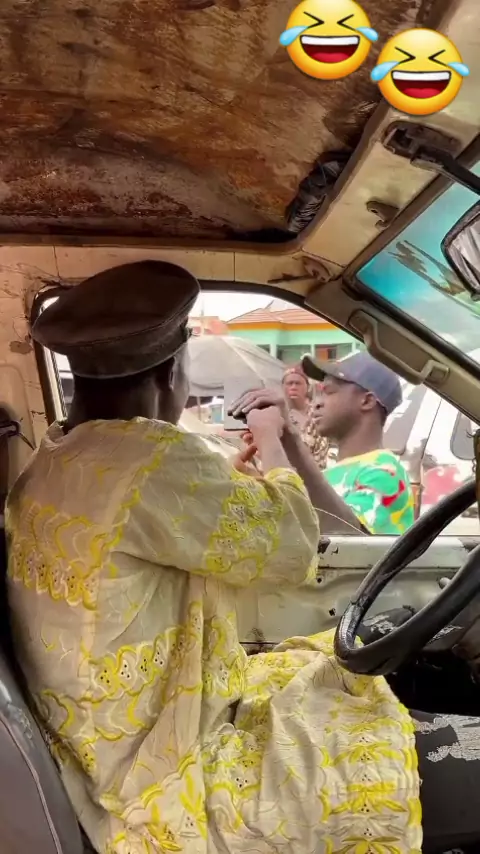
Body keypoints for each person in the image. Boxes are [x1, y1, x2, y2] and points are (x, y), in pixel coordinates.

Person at [5, 260, 479, 854]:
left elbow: (152, 521)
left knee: (337, 693)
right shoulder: (148, 458)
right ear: (171, 372)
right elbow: (292, 544)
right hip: (160, 768)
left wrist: (234, 484)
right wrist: (277, 445)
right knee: (383, 752)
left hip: (98, 753)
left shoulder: (56, 459)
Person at [231, 352, 414, 536]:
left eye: (329, 392)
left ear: (366, 401)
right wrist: (253, 477)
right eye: (317, 394)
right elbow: (301, 515)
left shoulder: (385, 472)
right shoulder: (332, 474)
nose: (316, 404)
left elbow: (348, 539)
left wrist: (272, 436)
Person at [282, 365, 329, 468]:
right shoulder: (279, 416)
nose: (293, 387)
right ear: (283, 387)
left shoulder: (317, 414)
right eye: (289, 383)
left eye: (298, 383)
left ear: (307, 387)